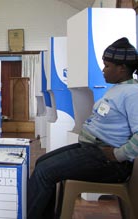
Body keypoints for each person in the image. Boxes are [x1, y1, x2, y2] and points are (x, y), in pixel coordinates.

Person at [27, 37, 138, 219]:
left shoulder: (133, 93)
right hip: (92, 150)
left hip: (108, 162)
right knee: (41, 163)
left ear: (122, 68)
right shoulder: (118, 88)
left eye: (107, 66)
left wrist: (118, 154)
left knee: (44, 173)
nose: (103, 70)